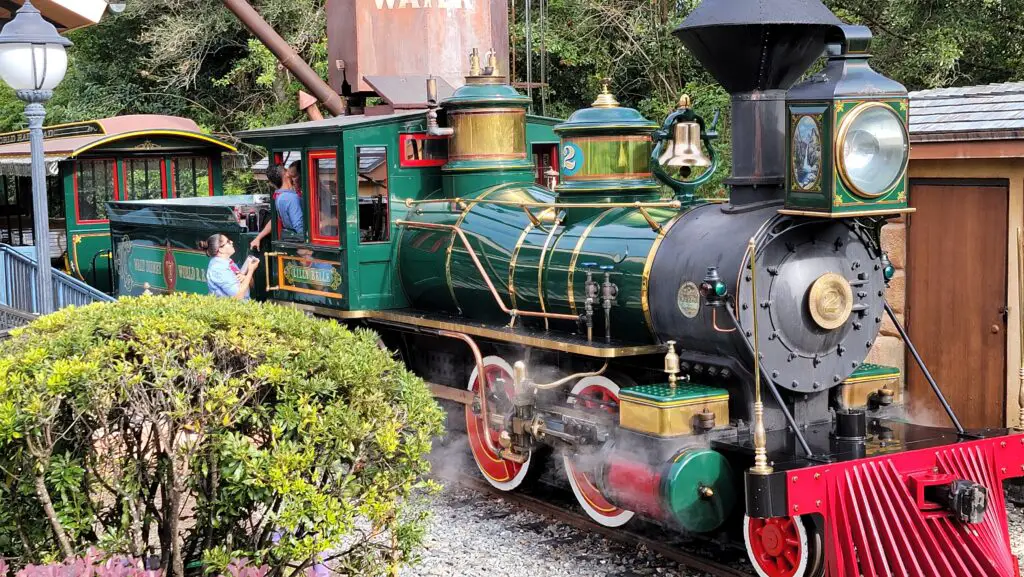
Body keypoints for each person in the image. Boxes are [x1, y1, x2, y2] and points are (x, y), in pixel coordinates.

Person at [251, 163, 304, 249]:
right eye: (286, 169)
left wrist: (258, 237)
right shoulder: (290, 198)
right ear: (286, 174)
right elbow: (299, 226)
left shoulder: (281, 196)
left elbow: (274, 219)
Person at [204, 233, 259, 300]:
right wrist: (251, 271)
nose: (232, 242)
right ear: (220, 249)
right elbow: (238, 297)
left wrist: (245, 277)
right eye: (228, 241)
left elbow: (250, 285)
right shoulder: (218, 268)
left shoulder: (228, 261)